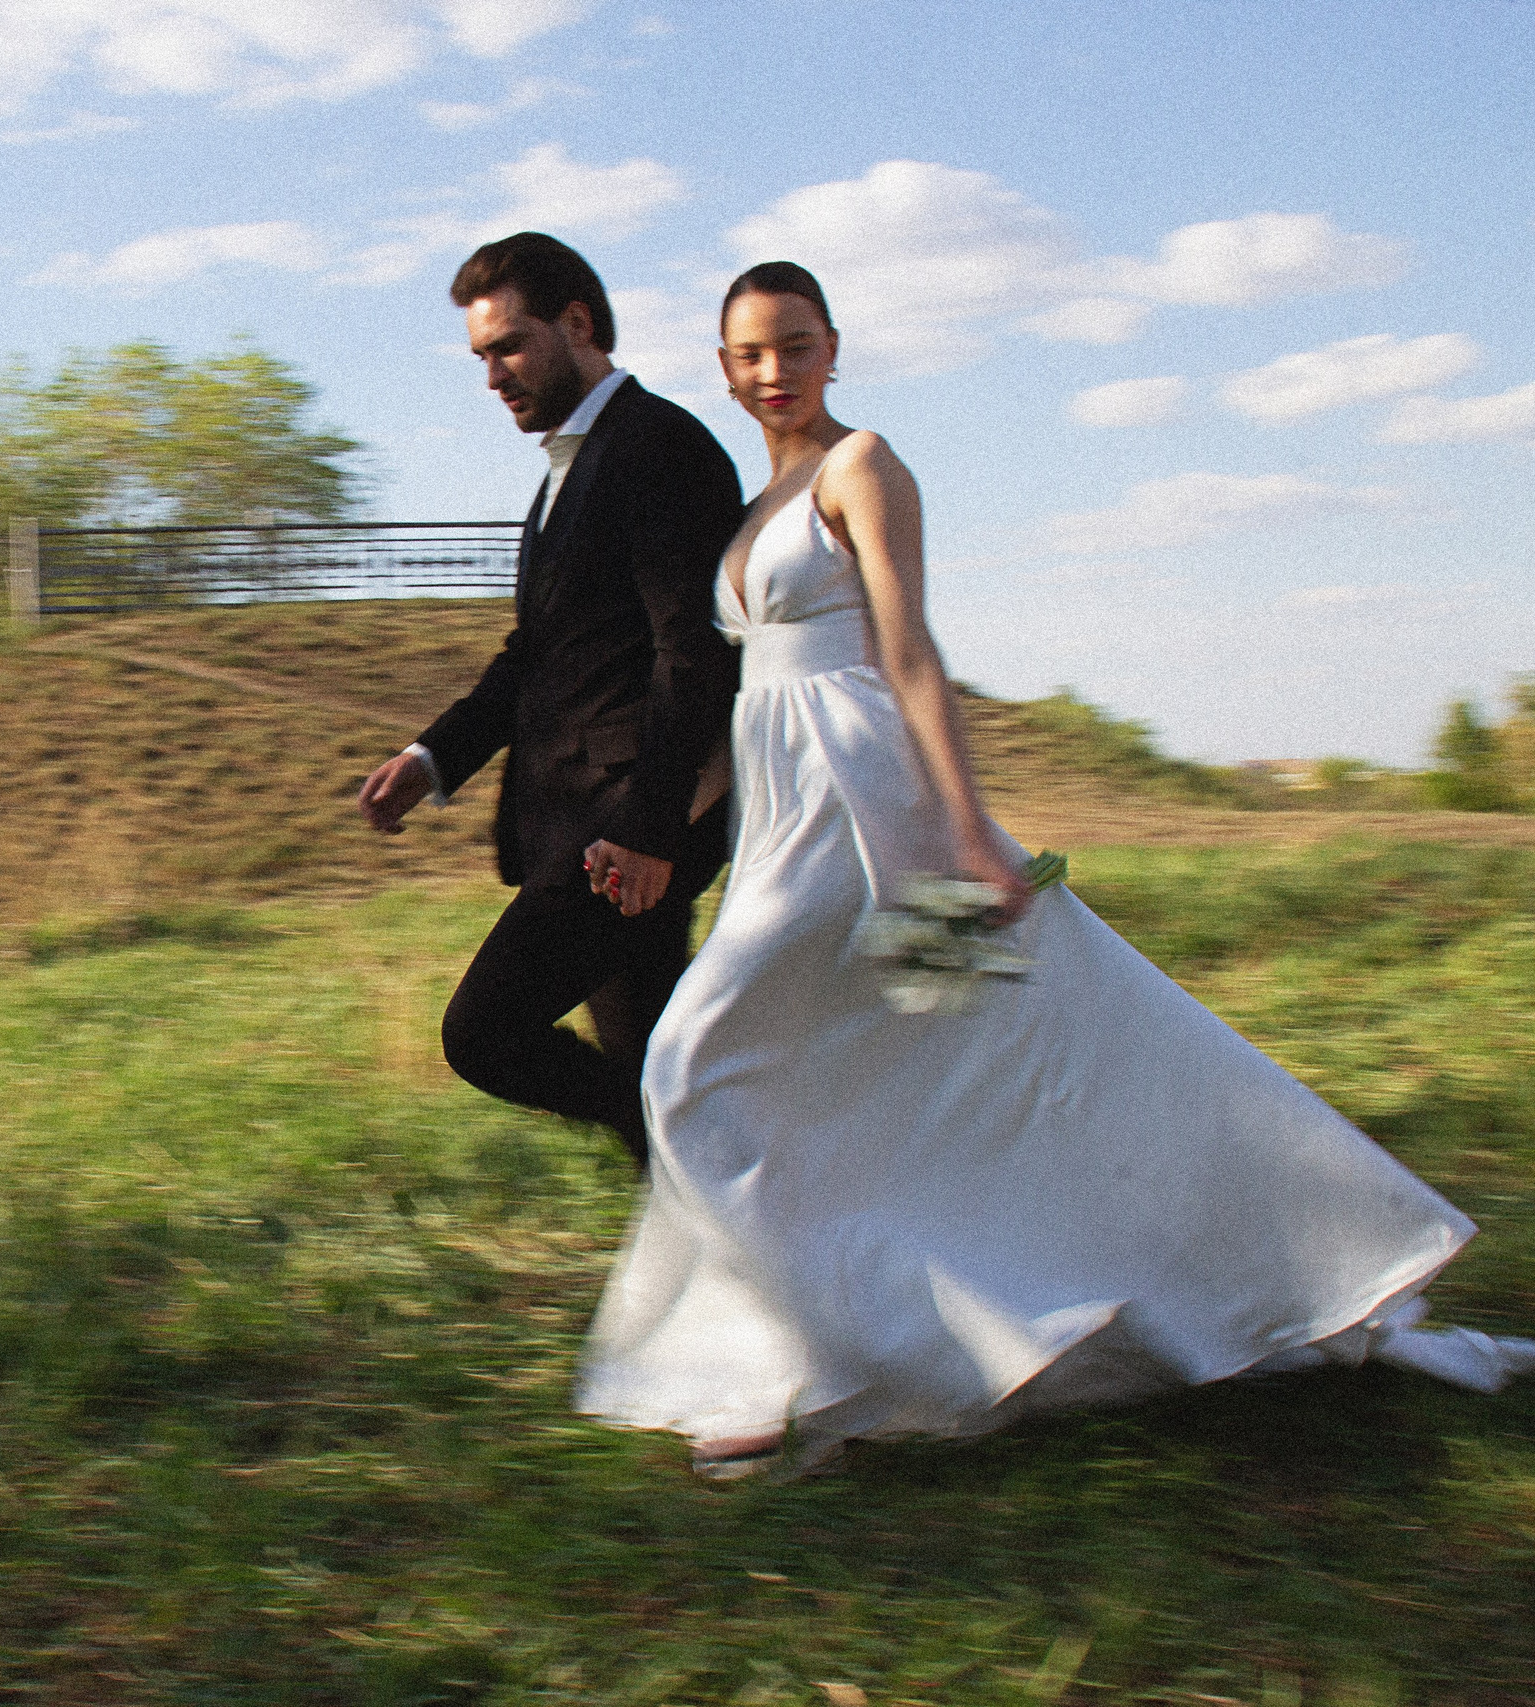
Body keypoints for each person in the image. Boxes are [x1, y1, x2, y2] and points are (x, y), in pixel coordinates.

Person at [576, 262, 1532, 1475]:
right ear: (722, 367)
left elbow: (909, 654)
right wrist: (662, 827)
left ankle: (805, 1356)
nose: (772, 372)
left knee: (686, 1059)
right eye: (749, 354)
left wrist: (969, 830)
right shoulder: (752, 512)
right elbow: (754, 701)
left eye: (794, 346)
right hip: (777, 820)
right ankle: (850, 1341)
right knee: (853, 1082)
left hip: (870, 819)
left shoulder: (863, 465)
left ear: (832, 348)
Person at [357, 232, 742, 1169]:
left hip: (626, 834)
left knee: (484, 1033)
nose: (493, 375)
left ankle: (696, 1148)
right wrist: (432, 758)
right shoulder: (568, 471)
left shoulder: (659, 447)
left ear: (578, 324)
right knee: (652, 1057)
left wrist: (652, 831)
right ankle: (723, 1221)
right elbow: (538, 656)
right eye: (482, 356)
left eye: (509, 346)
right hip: (592, 828)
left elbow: (692, 655)